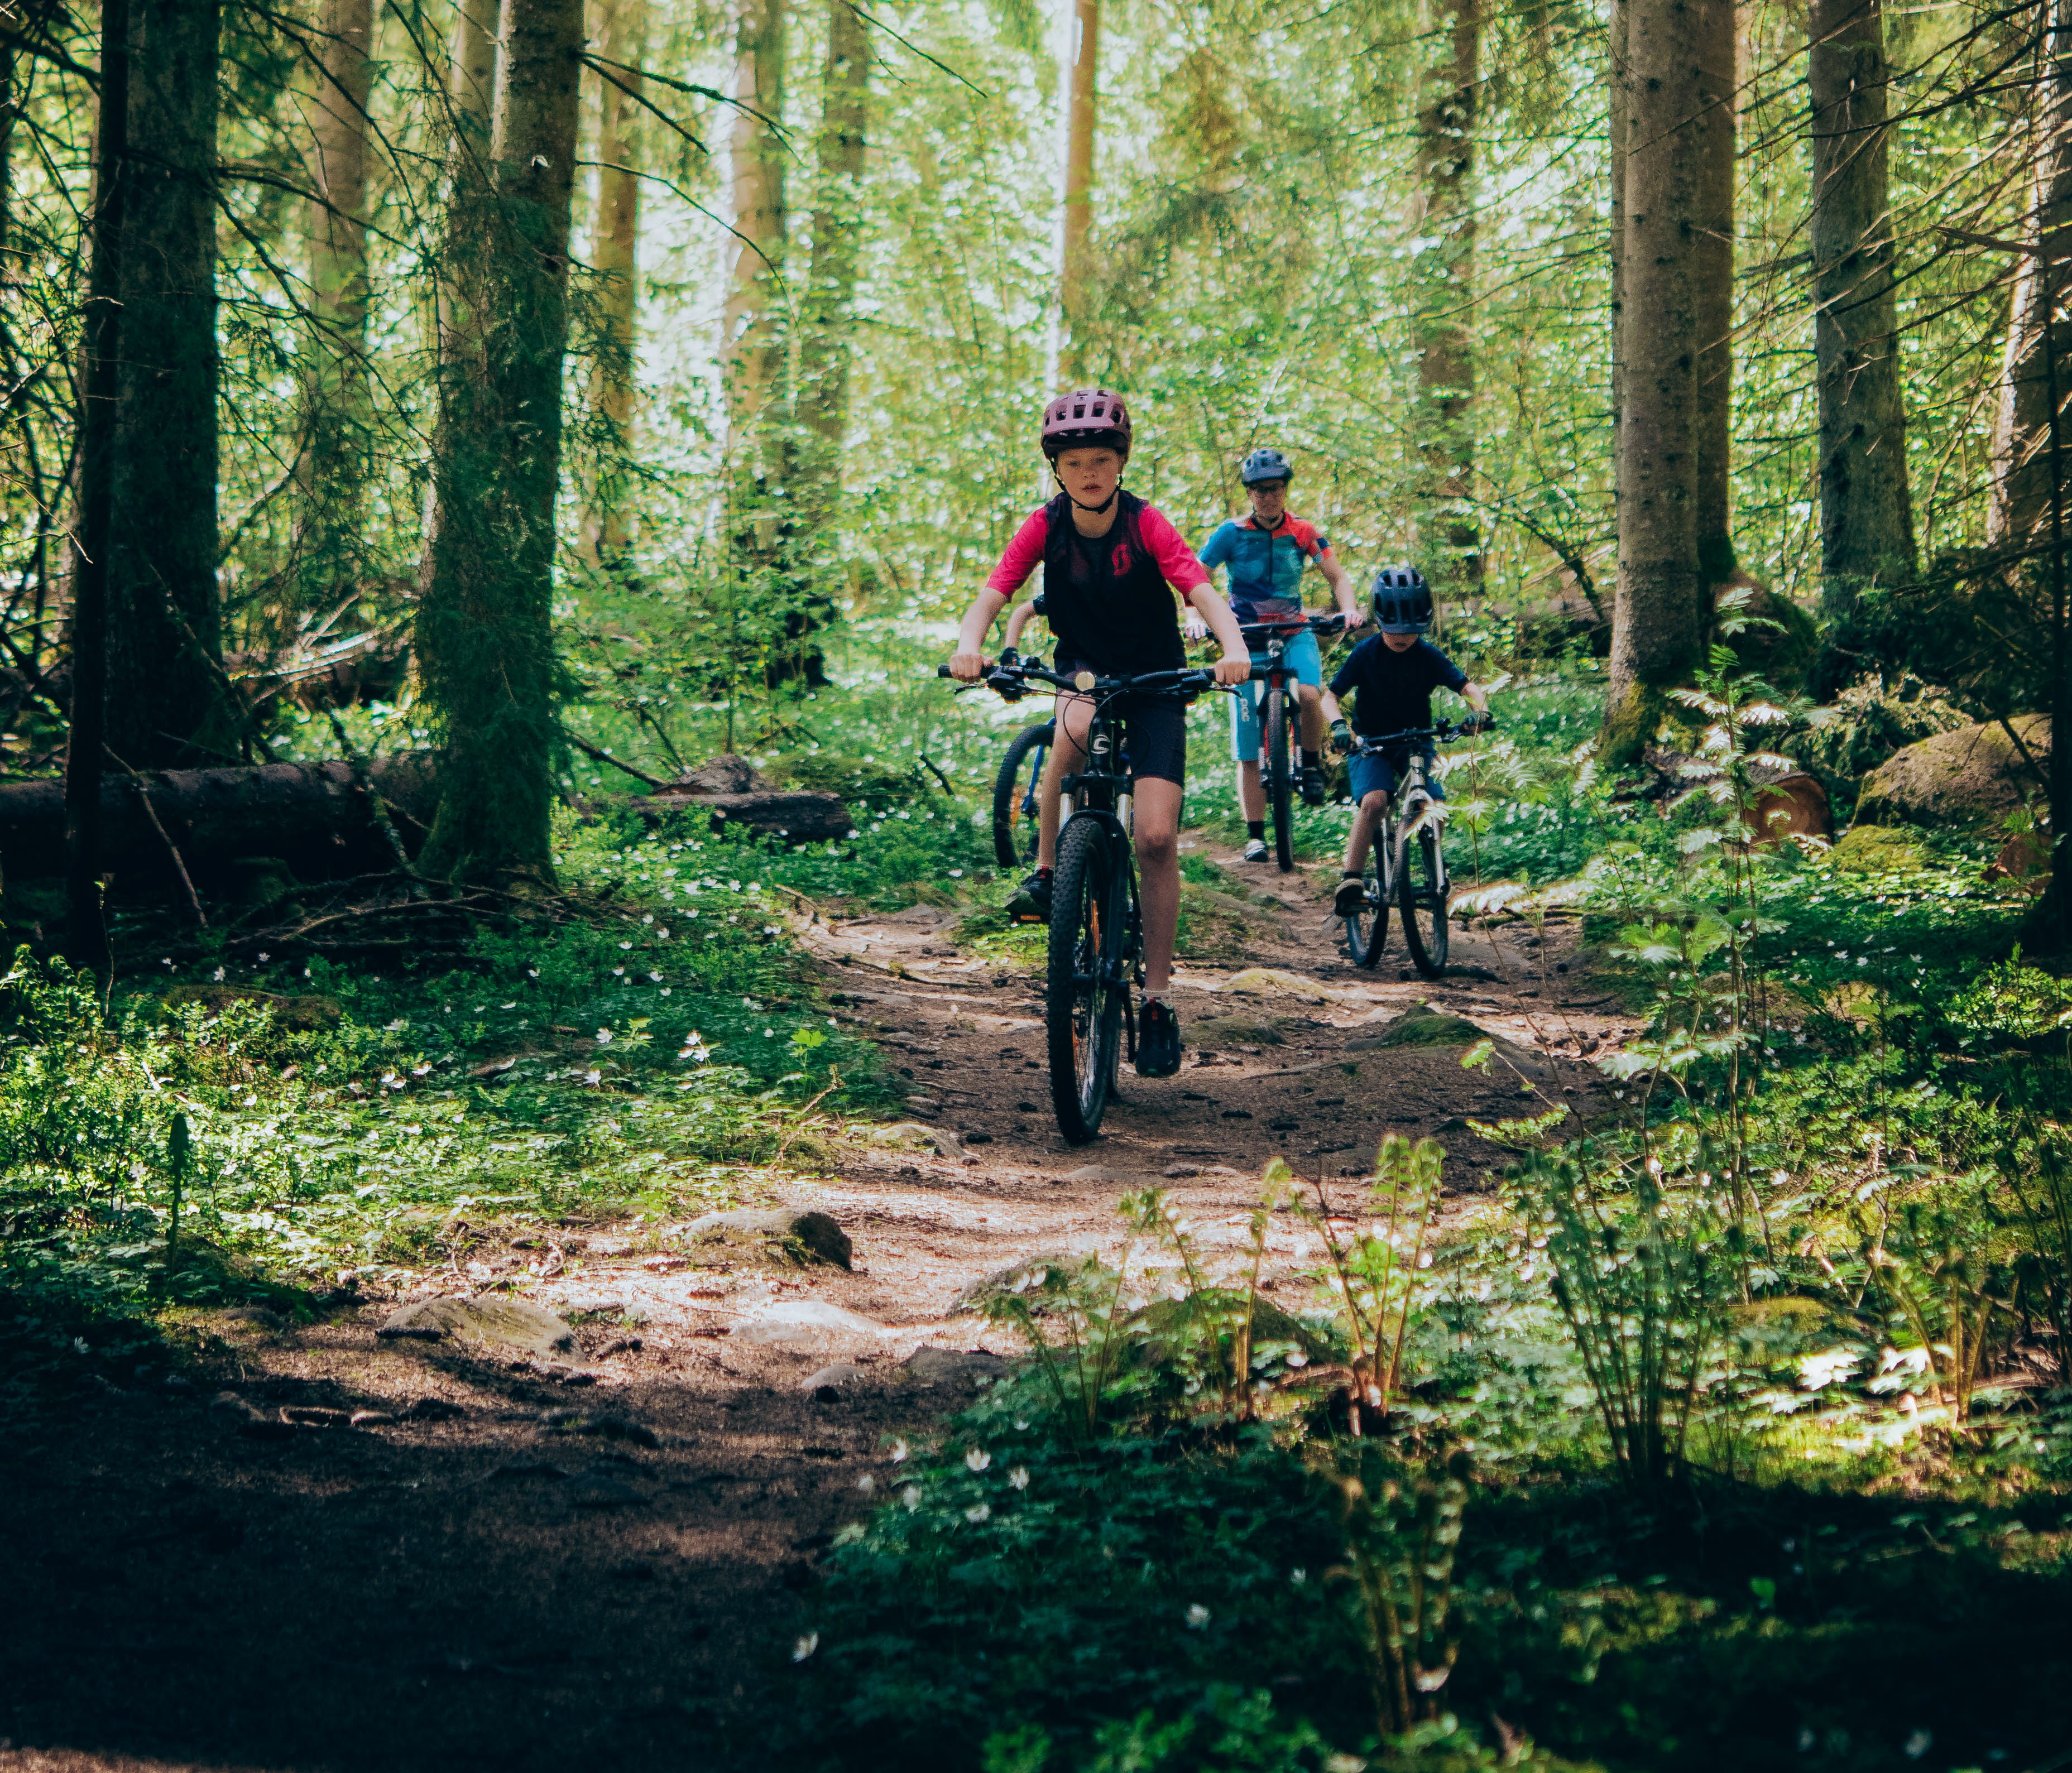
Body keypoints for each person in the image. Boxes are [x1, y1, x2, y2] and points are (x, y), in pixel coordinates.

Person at [946, 390, 1253, 1078]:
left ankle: (1157, 998)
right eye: (1076, 462)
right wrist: (972, 644)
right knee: (1072, 727)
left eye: (1103, 460)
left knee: (1154, 837)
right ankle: (1051, 871)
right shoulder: (1045, 525)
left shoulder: (1147, 524)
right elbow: (995, 593)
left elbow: (1200, 591)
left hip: (1154, 680)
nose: (1090, 473)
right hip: (1082, 670)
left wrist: (1231, 647)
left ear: (1121, 464)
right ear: (1058, 468)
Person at [1188, 448, 1364, 861]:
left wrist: (1349, 608)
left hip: (1293, 630)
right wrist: (1195, 615)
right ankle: (1255, 835)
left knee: (1308, 694)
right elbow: (1195, 578)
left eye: (1275, 488)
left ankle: (1309, 766)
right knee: (1248, 736)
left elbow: (1337, 576)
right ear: (1249, 493)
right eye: (1259, 490)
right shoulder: (1229, 533)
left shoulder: (1304, 531)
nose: (1268, 496)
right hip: (1243, 636)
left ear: (1285, 489)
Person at [1322, 565, 1489, 917]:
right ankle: (1351, 879)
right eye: (1394, 629)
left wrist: (1479, 710)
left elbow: (1467, 686)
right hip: (1371, 744)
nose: (1402, 637)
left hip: (1417, 742)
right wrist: (1339, 726)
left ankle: (1434, 868)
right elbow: (1329, 696)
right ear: (1380, 621)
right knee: (1375, 802)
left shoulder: (1428, 656)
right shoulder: (1366, 654)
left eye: (1411, 631)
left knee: (1434, 808)